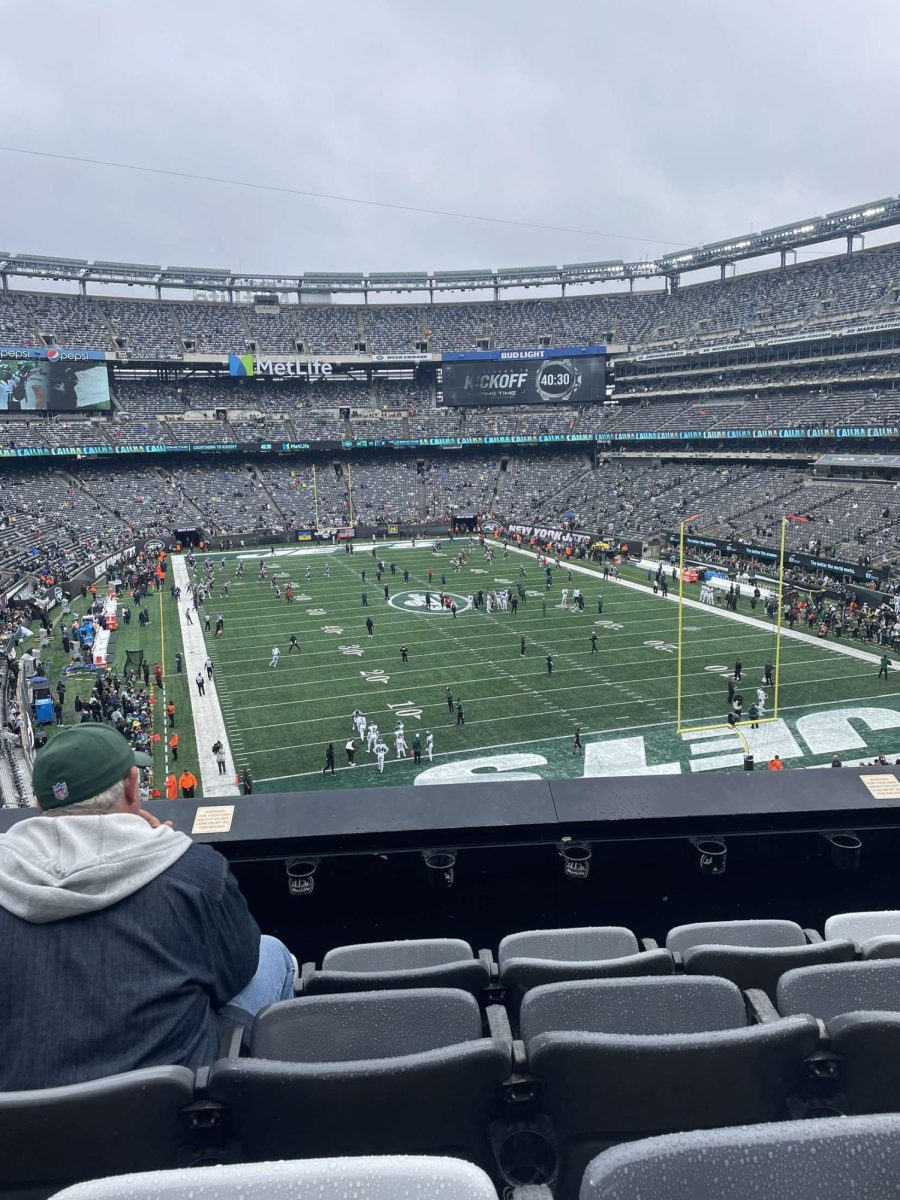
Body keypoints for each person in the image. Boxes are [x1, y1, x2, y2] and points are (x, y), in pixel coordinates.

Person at [0, 724, 293, 1090]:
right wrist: (167, 848)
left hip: (29, 1128)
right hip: (171, 1116)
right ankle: (268, 1112)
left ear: (40, 805)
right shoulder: (190, 871)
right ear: (131, 786)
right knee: (272, 953)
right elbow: (238, 969)